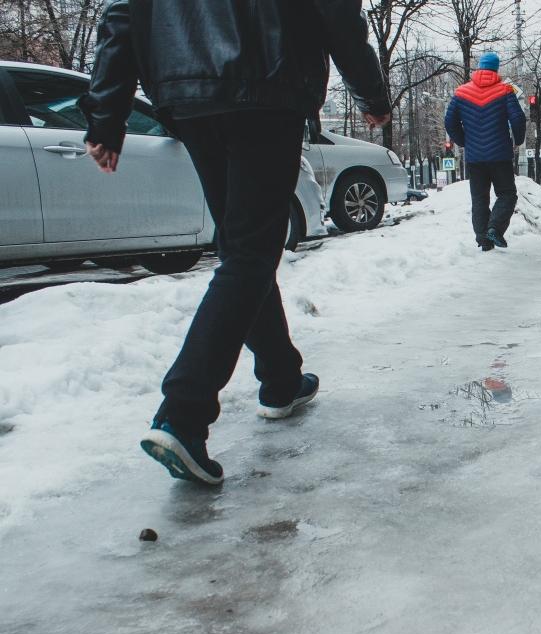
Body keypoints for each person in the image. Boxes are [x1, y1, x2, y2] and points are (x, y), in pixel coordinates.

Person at [80, 0, 392, 485]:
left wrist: (106, 113)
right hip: (268, 84)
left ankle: (281, 379)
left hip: (186, 92)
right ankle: (183, 413)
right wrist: (372, 95)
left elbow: (123, 15)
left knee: (242, 247)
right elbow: (335, 13)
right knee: (250, 252)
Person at [444, 52, 527, 251]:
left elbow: (449, 121)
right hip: (500, 156)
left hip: (475, 158)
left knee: (480, 199)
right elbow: (518, 119)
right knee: (507, 194)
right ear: (496, 69)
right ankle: (495, 229)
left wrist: (464, 141)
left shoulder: (461, 92)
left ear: (479, 68)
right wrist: (518, 140)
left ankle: (484, 241)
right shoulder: (505, 91)